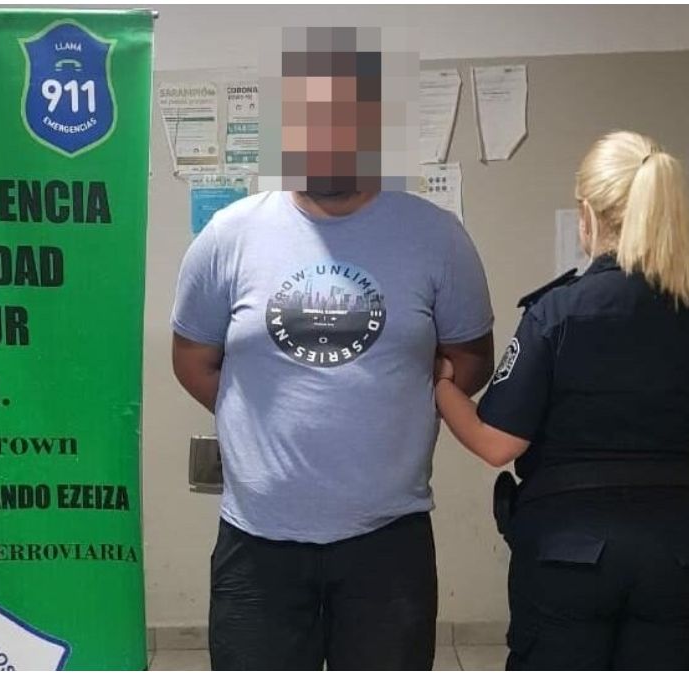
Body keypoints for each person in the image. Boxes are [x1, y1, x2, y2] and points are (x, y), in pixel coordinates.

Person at [170, 28, 495, 670]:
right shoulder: (229, 236)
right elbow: (194, 361)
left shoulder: (437, 237)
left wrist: (388, 407)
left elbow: (471, 357)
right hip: (257, 542)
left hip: (388, 542)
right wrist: (271, 415)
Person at [433, 130, 689, 670]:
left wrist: (441, 384)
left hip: (567, 554)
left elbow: (496, 444)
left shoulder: (555, 313)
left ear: (586, 214)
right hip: (681, 552)